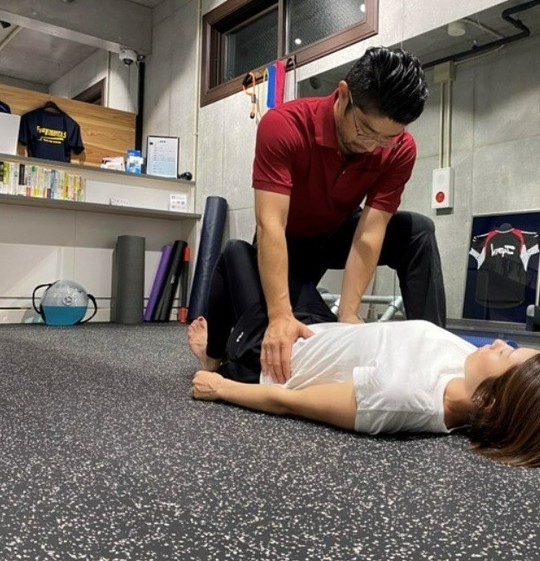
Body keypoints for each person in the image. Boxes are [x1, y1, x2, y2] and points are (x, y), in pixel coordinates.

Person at [189, 240, 540, 467]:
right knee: (276, 252)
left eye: (505, 355)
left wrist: (220, 388)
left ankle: (214, 356)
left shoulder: (400, 397)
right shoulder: (471, 366)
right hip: (322, 326)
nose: (500, 343)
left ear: (487, 402)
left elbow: (290, 402)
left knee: (235, 252)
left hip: (275, 354)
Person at [252, 46, 446, 384]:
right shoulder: (283, 125)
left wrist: (349, 314)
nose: (373, 146)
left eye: (388, 138)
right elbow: (271, 225)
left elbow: (371, 231)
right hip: (287, 242)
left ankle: (434, 353)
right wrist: (280, 315)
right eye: (366, 131)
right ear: (343, 95)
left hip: (337, 233)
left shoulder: (400, 149)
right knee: (302, 341)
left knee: (418, 231)